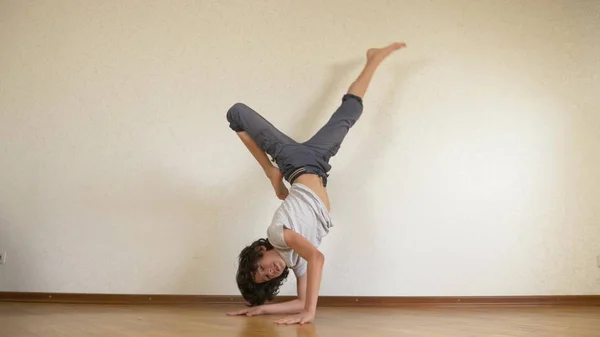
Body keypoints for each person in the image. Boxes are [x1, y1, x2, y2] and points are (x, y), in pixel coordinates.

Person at [225, 42, 407, 325]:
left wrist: (270, 170)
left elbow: (317, 259)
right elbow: (299, 300)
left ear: (261, 251)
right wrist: (260, 309)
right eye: (268, 278)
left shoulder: (278, 236)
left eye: (262, 268)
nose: (271, 272)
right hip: (318, 164)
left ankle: (270, 172)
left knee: (236, 114)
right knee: (350, 112)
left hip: (293, 161)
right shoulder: (296, 261)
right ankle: (373, 59)